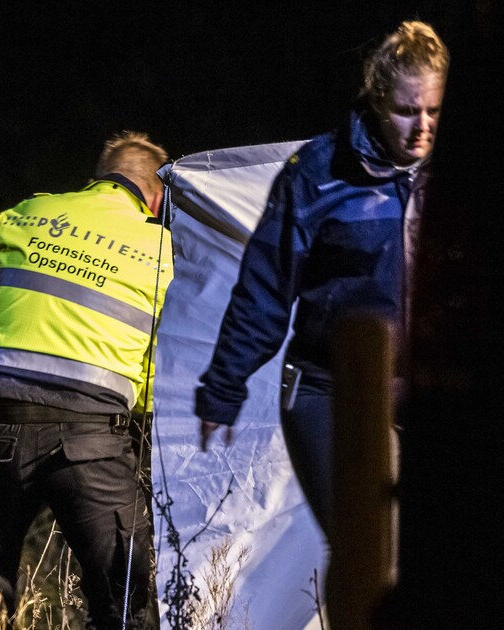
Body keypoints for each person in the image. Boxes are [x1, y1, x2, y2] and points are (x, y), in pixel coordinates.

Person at [194, 21, 449, 534]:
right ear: (376, 100)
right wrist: (223, 389)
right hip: (330, 388)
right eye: (406, 110)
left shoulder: (470, 172)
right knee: (367, 548)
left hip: (427, 389)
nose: (422, 126)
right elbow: (265, 288)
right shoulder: (317, 171)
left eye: (433, 110)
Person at [0, 131, 173, 629]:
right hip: (92, 436)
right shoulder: (161, 249)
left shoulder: (21, 215)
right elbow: (157, 362)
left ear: (97, 179)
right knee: (124, 600)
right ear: (156, 196)